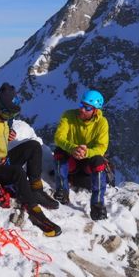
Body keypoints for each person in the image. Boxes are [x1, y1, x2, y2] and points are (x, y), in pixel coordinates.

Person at [0, 83, 62, 236]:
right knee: (17, 172)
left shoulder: (3, 118)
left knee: (33, 146)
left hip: (2, 161)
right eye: (6, 112)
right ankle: (35, 212)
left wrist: (8, 133)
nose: (8, 116)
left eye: (11, 114)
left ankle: (36, 189)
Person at [53, 89, 110, 220]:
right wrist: (72, 148)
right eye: (81, 105)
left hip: (87, 163)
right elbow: (58, 138)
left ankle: (97, 205)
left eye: (87, 107)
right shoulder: (68, 116)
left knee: (99, 161)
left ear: (95, 110)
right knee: (59, 152)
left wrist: (87, 152)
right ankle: (62, 190)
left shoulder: (102, 123)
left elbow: (102, 147)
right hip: (71, 159)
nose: (82, 110)